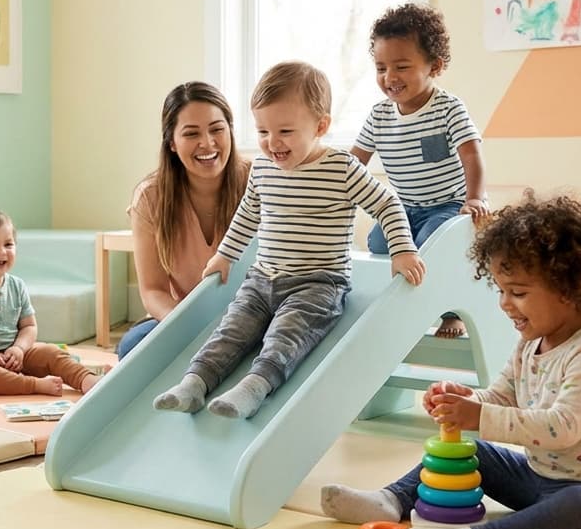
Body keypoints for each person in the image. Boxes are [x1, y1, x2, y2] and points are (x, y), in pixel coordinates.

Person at [319, 193, 581, 529]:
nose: (505, 303)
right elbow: (503, 396)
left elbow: (562, 428)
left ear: (571, 289)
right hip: (540, 477)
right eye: (502, 290)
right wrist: (468, 400)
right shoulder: (530, 343)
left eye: (518, 293)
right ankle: (390, 500)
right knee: (478, 453)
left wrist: (478, 416)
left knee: (578, 506)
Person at [153, 61, 426, 419]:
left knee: (286, 337)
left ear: (321, 126)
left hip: (318, 283)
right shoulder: (263, 168)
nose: (271, 143)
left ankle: (254, 388)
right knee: (231, 330)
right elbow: (248, 214)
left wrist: (402, 249)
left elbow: (387, 202)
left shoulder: (341, 168)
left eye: (284, 131)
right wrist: (225, 255)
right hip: (262, 278)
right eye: (262, 131)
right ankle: (194, 383)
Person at [351, 3, 487, 339]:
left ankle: (450, 311)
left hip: (448, 206)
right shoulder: (380, 114)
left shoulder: (447, 107)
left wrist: (475, 199)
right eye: (381, 68)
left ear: (434, 66)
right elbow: (353, 163)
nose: (390, 77)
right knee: (379, 243)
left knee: (431, 244)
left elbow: (471, 155)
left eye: (401, 66)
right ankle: (398, 305)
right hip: (404, 208)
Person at [117, 82, 251, 359]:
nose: (207, 143)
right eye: (191, 134)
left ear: (230, 131)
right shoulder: (150, 197)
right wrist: (188, 328)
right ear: (172, 144)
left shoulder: (259, 180)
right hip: (188, 318)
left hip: (255, 314)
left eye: (217, 129)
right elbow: (153, 291)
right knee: (132, 347)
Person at [0, 206, 101, 396]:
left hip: (14, 356)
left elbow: (29, 327)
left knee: (50, 352)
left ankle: (85, 379)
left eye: (8, 244)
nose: (1, 252)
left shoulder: (17, 286)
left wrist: (19, 348)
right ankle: (33, 385)